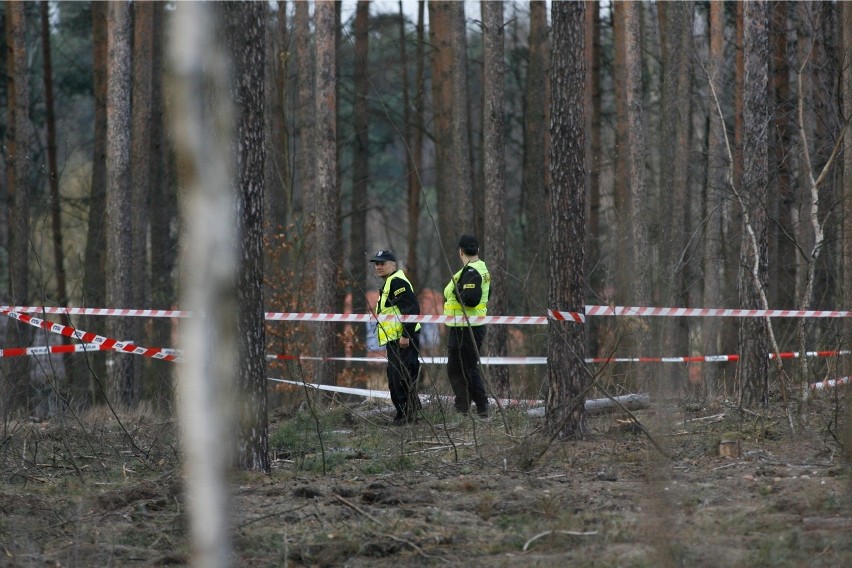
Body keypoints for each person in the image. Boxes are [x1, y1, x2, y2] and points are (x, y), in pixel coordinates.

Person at [370, 249, 422, 424]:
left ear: (393, 265)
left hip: (404, 340)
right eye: (376, 263)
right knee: (396, 378)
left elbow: (412, 308)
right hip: (395, 340)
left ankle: (408, 416)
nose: (379, 266)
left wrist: (406, 335)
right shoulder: (388, 283)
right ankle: (405, 414)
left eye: (382, 263)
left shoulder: (397, 281)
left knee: (401, 378)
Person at [443, 235, 490, 417]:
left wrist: (459, 291)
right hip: (468, 325)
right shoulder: (481, 269)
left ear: (460, 252)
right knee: (462, 367)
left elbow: (471, 299)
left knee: (464, 368)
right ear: (477, 250)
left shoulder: (471, 272)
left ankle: (480, 407)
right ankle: (464, 406)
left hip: (466, 327)